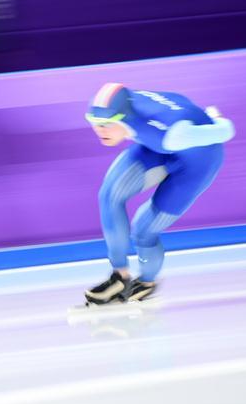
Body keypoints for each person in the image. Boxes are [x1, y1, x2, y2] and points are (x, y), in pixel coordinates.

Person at [84, 83, 235, 305]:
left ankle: (146, 282)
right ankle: (119, 276)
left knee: (144, 230)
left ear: (123, 118)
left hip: (197, 161)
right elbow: (177, 100)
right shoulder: (132, 114)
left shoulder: (172, 135)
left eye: (106, 124)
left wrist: (215, 116)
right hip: (156, 145)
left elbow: (226, 131)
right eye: (94, 123)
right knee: (109, 195)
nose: (100, 130)